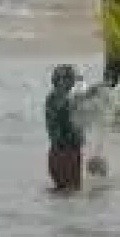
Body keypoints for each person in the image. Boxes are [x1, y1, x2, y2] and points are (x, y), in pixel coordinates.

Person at [45, 64, 85, 193]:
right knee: (71, 191)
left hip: (63, 150)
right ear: (59, 81)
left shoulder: (61, 97)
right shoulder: (57, 98)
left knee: (65, 192)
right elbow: (64, 112)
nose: (72, 82)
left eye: (72, 79)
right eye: (69, 79)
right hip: (65, 151)